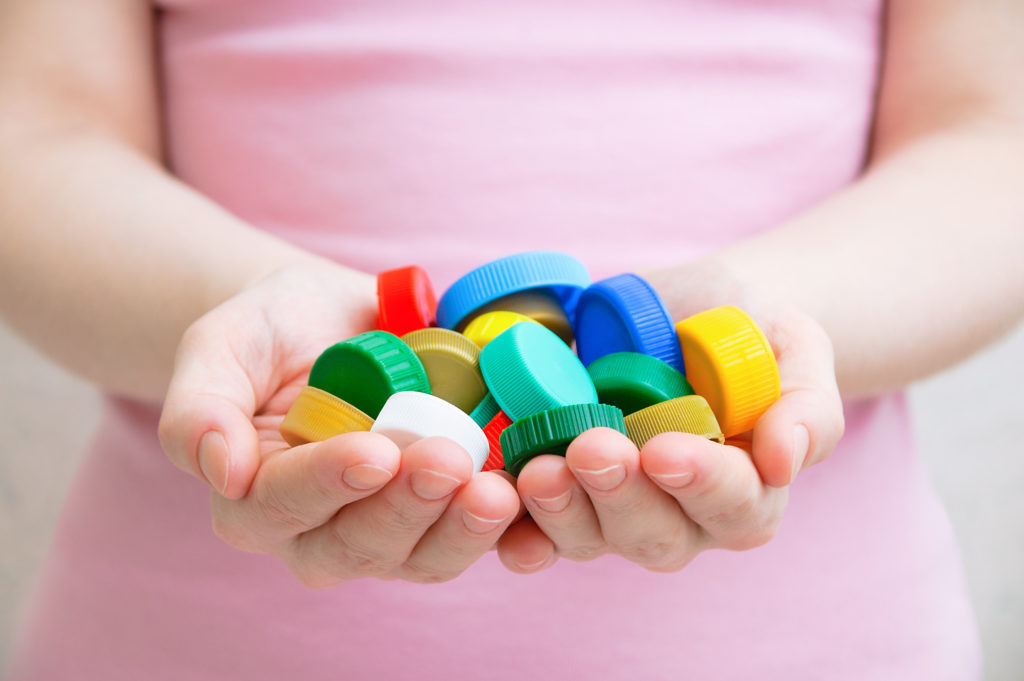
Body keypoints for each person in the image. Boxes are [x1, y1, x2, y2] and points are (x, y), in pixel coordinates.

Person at [1, 0, 1021, 678]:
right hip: (190, 638)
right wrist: (246, 317)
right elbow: (35, 142)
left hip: (812, 638)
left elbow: (993, 144)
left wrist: (757, 317)